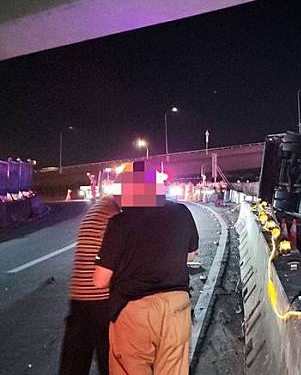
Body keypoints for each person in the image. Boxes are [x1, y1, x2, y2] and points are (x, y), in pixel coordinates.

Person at [93, 160, 199, 375]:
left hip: (134, 312)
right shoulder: (181, 212)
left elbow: (100, 280)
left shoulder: (120, 223)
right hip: (176, 307)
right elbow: (190, 255)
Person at [59, 197, 119, 375]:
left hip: (80, 299)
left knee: (74, 362)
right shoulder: (115, 215)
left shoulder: (100, 208)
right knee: (111, 363)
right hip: (102, 300)